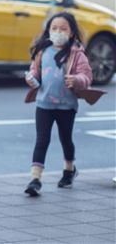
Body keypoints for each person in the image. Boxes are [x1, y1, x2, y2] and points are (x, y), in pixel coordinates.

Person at [24, 11, 93, 197]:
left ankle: (69, 170)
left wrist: (77, 80)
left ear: (71, 32)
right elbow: (35, 73)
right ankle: (35, 179)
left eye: (63, 28)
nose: (58, 31)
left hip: (66, 106)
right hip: (43, 104)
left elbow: (87, 76)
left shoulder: (77, 53)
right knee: (41, 140)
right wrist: (31, 79)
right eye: (54, 28)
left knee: (65, 139)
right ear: (48, 31)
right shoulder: (42, 51)